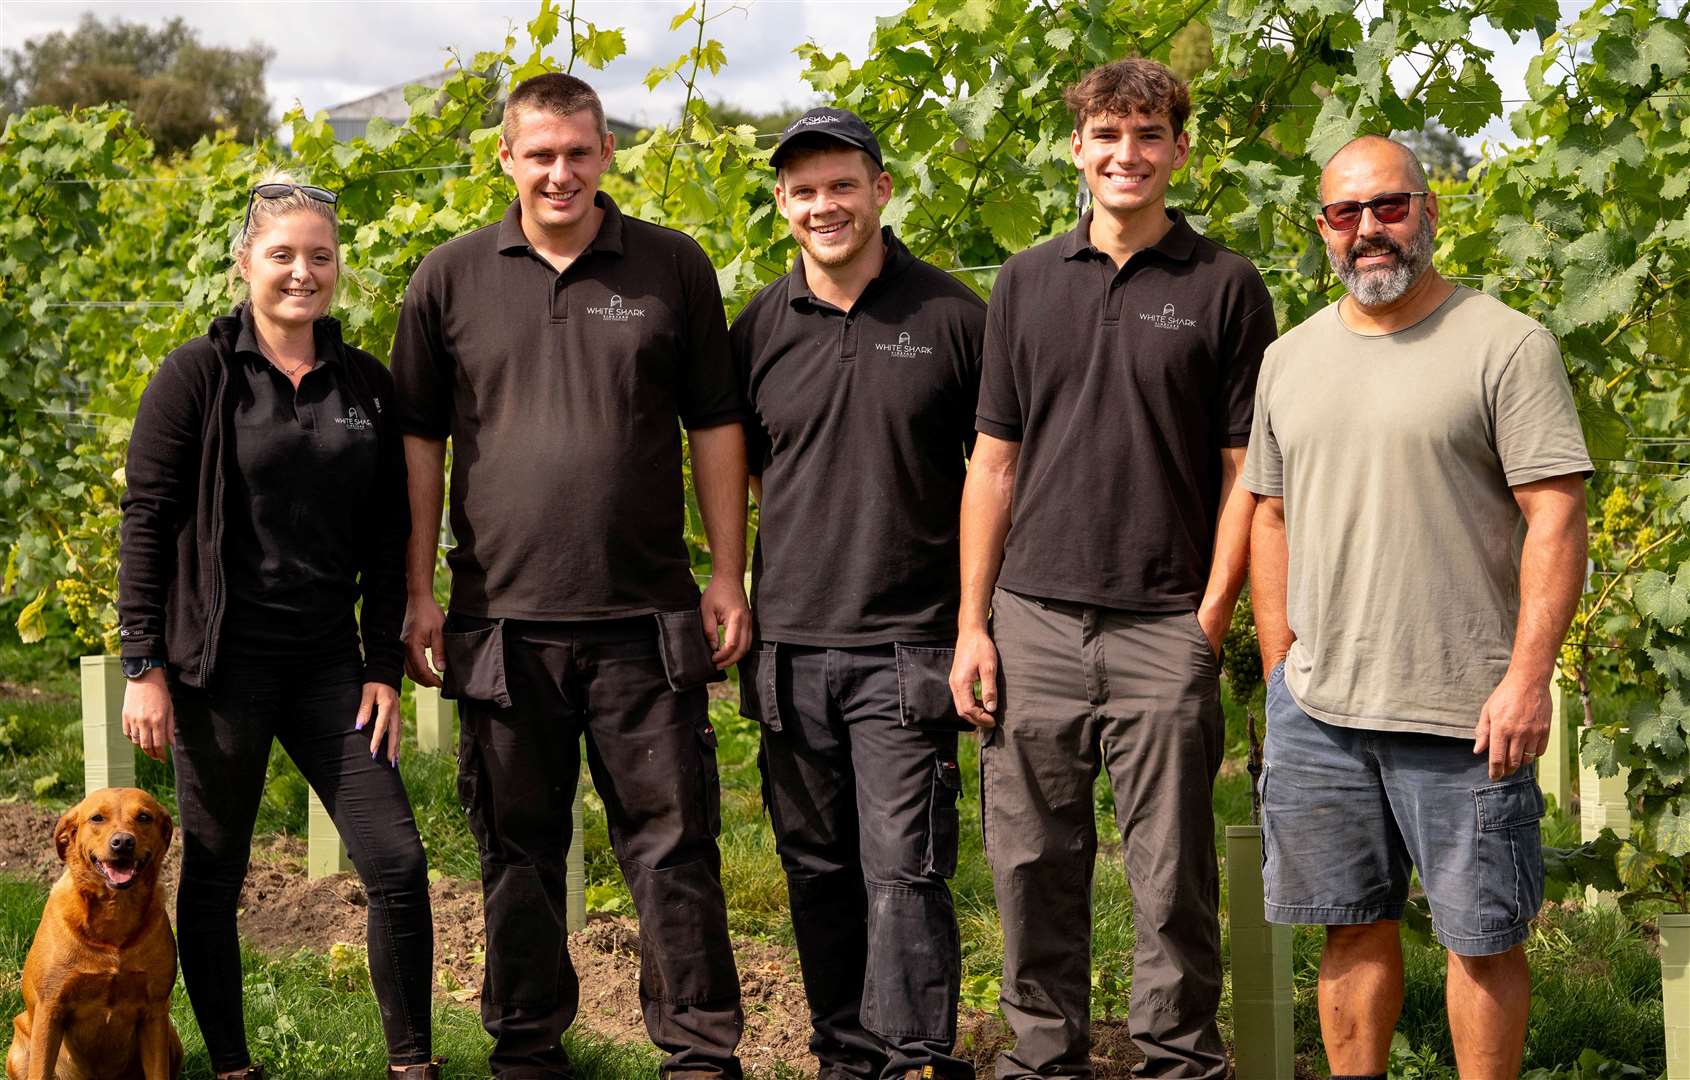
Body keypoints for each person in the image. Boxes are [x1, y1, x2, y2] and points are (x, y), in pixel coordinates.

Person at [390, 72, 749, 1079]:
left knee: (674, 852)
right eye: (539, 154)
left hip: (647, 622)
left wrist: (729, 572)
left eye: (578, 152)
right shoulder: (448, 277)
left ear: (605, 154)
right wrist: (421, 589)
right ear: (504, 157)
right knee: (517, 854)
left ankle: (699, 1055)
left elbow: (714, 424)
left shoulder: (672, 267)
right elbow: (419, 441)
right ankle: (527, 1052)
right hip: (502, 623)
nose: (560, 172)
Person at [949, 58, 1276, 1079]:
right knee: (1030, 863)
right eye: (1105, 135)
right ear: (1075, 150)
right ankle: (1041, 1057)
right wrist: (972, 624)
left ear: (1178, 150)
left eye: (1146, 135)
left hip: (1161, 622)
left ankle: (1176, 1058)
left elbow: (1245, 477)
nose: (1124, 155)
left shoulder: (1224, 286)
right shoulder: (1024, 280)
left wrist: (1209, 622)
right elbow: (992, 465)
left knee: (1170, 876)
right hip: (1033, 619)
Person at [1243, 134, 1590, 1080]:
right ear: (1322, 229)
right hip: (1320, 712)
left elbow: (1556, 516)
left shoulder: (1506, 344)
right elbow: (1267, 516)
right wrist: (1282, 672)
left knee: (1481, 940)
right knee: (1349, 933)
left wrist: (1527, 680)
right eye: (1345, 214)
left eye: (1389, 207)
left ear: (1429, 212)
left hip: (1465, 713)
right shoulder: (1290, 357)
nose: (1368, 231)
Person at [117, 174, 439, 1080]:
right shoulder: (198, 375)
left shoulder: (363, 382)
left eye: (320, 256)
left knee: (397, 863)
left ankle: (412, 1064)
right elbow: (147, 517)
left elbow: (390, 535)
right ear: (245, 265)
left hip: (329, 666)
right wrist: (144, 662)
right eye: (283, 255)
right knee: (215, 875)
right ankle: (231, 1065)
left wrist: (381, 665)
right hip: (219, 666)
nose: (303, 272)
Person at [731, 107, 986, 1080]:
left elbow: (995, 474)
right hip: (790, 650)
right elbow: (748, 471)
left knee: (905, 871)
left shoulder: (954, 318)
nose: (823, 204)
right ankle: (845, 1056)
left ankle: (915, 1057)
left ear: (882, 189)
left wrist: (974, 625)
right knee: (818, 871)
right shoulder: (756, 327)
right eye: (802, 190)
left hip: (910, 648)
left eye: (842, 184)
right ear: (783, 206)